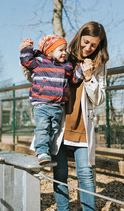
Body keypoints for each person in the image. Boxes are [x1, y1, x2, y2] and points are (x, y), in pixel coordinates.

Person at [51, 21, 109, 210]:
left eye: (93, 45)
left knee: (86, 174)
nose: (88, 48)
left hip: (83, 127)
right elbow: (40, 74)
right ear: (79, 38)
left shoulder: (99, 65)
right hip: (59, 125)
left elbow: (99, 98)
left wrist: (89, 77)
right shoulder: (63, 55)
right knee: (60, 173)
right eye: (85, 42)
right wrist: (25, 59)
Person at [20, 35, 84, 165]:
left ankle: (46, 149)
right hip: (41, 104)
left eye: (65, 50)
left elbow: (73, 79)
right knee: (43, 128)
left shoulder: (66, 67)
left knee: (54, 129)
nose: (64, 53)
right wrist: (27, 47)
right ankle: (42, 152)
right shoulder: (39, 62)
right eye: (61, 50)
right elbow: (25, 60)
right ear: (49, 51)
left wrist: (81, 70)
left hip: (58, 106)